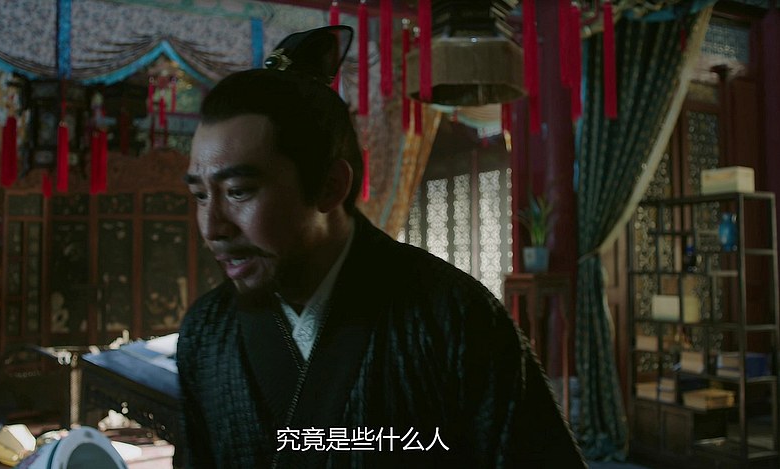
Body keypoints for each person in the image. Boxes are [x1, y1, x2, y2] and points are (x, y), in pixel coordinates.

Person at [177, 25, 586, 468]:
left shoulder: (452, 317)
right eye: (200, 195)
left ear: (330, 186)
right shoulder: (206, 330)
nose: (212, 227)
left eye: (237, 191)